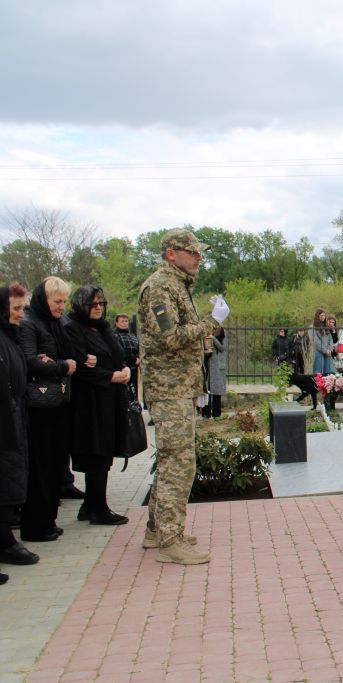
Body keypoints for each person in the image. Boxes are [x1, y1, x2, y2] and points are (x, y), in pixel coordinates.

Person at [138, 228, 227, 564]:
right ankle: (170, 541)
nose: (198, 258)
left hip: (180, 387)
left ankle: (156, 530)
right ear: (171, 253)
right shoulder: (161, 286)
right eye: (192, 252)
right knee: (179, 462)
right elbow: (171, 338)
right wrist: (210, 324)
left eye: (199, 252)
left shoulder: (177, 285)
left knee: (170, 460)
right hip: (169, 388)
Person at [64, 286, 131, 525]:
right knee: (96, 453)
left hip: (108, 399)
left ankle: (91, 505)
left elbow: (115, 356)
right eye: (93, 304)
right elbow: (80, 367)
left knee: (103, 452)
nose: (99, 308)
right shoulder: (73, 328)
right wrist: (110, 376)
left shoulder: (103, 329)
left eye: (101, 303)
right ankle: (97, 508)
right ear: (81, 306)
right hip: (89, 402)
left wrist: (124, 370)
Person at [18, 276, 77, 542]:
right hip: (39, 405)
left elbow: (69, 352)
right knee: (40, 464)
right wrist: (62, 366)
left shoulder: (57, 324)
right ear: (44, 299)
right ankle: (35, 524)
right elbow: (30, 362)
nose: (61, 306)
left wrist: (61, 361)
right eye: (57, 301)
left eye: (64, 301)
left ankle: (49, 518)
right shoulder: (30, 324)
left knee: (55, 463)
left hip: (60, 402)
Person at [0, 283, 39, 576]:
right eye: (15, 309)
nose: (21, 314)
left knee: (10, 479)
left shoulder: (10, 336)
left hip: (13, 414)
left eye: (23, 308)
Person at [113, 313, 141, 399]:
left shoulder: (133, 336)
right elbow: (119, 350)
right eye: (122, 321)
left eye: (126, 321)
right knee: (124, 393)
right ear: (117, 323)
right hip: (123, 368)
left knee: (134, 393)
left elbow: (138, 348)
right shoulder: (114, 335)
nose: (125, 323)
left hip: (135, 368)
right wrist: (133, 359)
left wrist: (138, 358)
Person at [203, 329, 226, 418]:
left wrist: (213, 338)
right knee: (207, 391)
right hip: (208, 366)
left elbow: (222, 348)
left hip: (217, 368)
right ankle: (206, 413)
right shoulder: (207, 335)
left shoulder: (223, 336)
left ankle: (216, 413)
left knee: (217, 392)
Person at [310, 309, 334, 375]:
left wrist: (330, 349)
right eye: (321, 315)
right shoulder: (312, 327)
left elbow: (330, 339)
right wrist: (325, 350)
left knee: (329, 372)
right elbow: (315, 341)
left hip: (328, 352)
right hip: (318, 352)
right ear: (317, 316)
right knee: (318, 373)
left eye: (324, 315)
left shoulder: (326, 327)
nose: (323, 317)